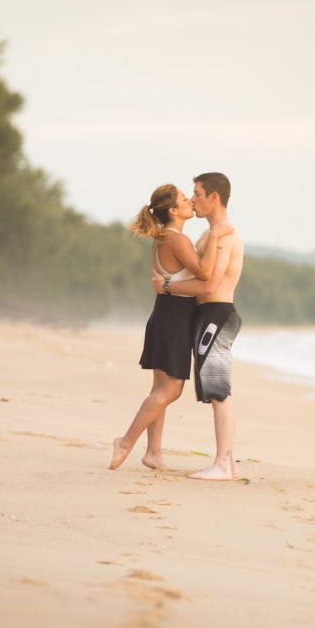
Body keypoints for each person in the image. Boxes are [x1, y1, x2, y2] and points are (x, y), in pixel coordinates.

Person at [109, 183, 232, 471]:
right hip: (174, 320)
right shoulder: (177, 240)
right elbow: (205, 273)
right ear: (174, 211)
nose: (190, 201)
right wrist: (215, 236)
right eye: (184, 199)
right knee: (171, 390)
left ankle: (153, 453)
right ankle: (125, 442)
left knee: (159, 389)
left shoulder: (163, 238)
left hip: (164, 315)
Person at [151, 172, 244, 480]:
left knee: (218, 389)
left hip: (217, 314)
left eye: (198, 194)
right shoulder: (209, 234)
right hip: (207, 316)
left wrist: (165, 287)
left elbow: (208, 285)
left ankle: (223, 464)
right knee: (216, 388)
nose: (192, 200)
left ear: (214, 197)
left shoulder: (224, 235)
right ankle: (227, 464)